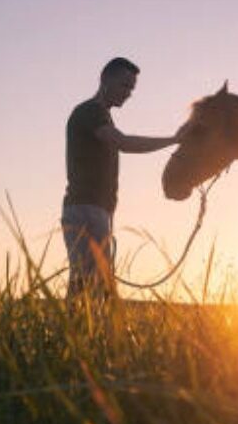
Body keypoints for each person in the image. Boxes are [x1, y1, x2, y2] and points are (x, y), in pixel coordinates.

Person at [62, 57, 178, 298]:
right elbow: (123, 143)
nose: (128, 93)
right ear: (105, 80)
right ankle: (75, 333)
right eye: (124, 86)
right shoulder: (90, 112)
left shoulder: (100, 115)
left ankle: (84, 333)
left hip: (96, 210)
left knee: (94, 285)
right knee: (89, 285)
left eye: (132, 88)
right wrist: (174, 139)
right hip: (86, 209)